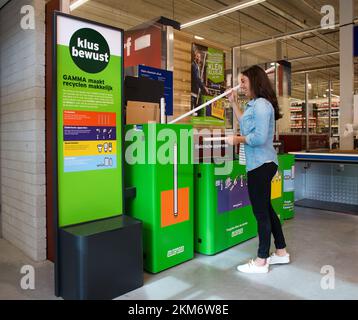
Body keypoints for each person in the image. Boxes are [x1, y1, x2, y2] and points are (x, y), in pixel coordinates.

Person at [227, 65, 290, 274]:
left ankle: (262, 260)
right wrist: (234, 103)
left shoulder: (262, 105)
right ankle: (281, 252)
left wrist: (237, 139)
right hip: (260, 163)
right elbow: (245, 123)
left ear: (255, 81)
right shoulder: (255, 104)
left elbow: (260, 138)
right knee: (267, 210)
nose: (241, 86)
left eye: (243, 81)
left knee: (260, 212)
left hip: (261, 164)